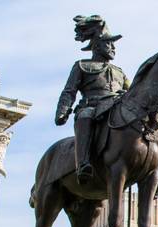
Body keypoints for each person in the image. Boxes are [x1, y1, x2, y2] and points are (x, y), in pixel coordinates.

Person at [55, 15, 129, 184]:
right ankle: (83, 163)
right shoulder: (82, 65)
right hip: (92, 106)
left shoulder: (120, 71)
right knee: (85, 117)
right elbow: (69, 91)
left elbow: (131, 92)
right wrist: (63, 111)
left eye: (114, 44)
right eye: (108, 43)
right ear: (96, 45)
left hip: (115, 106)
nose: (113, 48)